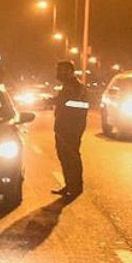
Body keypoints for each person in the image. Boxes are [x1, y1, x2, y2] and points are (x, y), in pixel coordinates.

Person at [52, 59, 88, 201]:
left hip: (72, 128)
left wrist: (60, 102)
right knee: (64, 157)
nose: (58, 73)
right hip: (62, 127)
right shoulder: (67, 86)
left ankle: (76, 187)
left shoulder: (76, 86)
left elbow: (80, 105)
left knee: (71, 157)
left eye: (60, 70)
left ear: (69, 71)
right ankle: (69, 185)